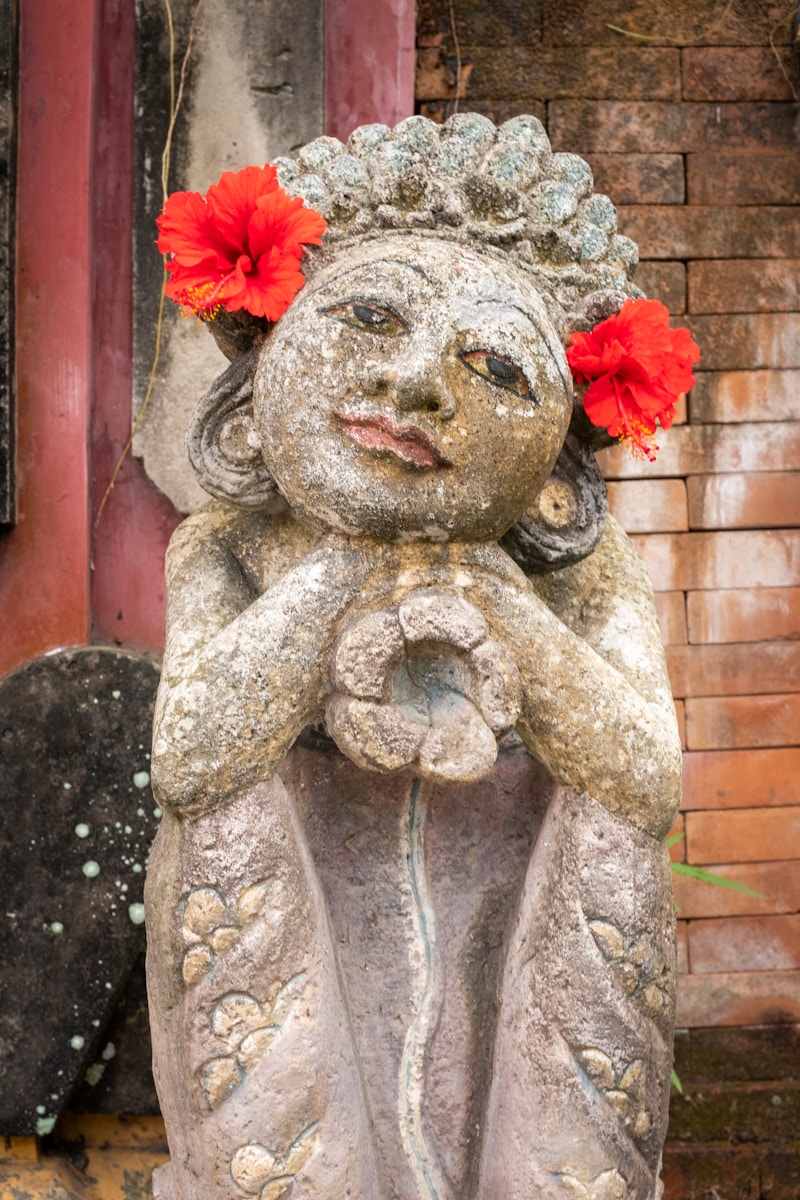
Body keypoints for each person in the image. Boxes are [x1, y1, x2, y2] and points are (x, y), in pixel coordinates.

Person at [146, 114, 686, 1200]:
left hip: (514, 1017)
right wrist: (350, 564)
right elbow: (193, 756)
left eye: (492, 364)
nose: (417, 385)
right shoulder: (227, 547)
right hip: (297, 1007)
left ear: (551, 478)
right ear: (254, 402)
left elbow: (645, 777)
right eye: (369, 317)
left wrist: (503, 604)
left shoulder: (573, 573)